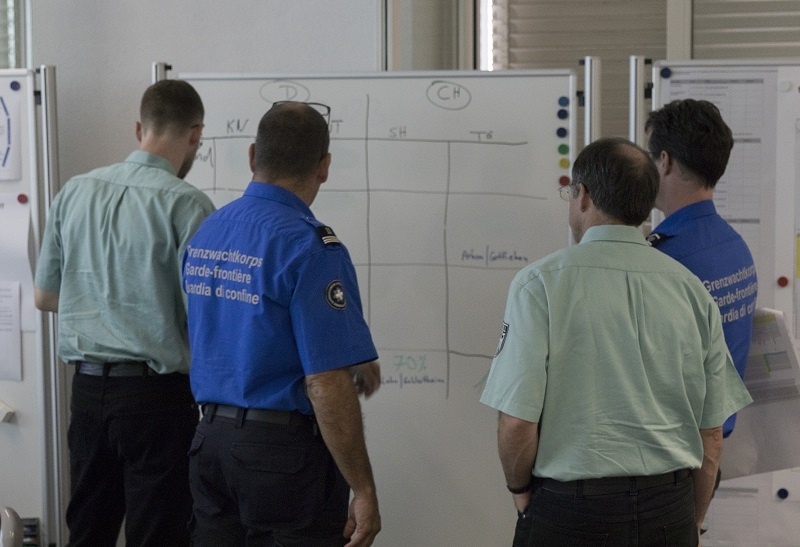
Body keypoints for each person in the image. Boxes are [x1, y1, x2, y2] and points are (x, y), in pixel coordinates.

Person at [480, 137, 752, 546]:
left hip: (572, 514)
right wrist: (689, 522)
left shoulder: (539, 286)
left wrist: (520, 493)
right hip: (670, 509)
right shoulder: (692, 290)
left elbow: (517, 421)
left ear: (583, 196)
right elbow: (710, 435)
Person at [183, 101, 381, 546]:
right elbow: (326, 382)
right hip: (282, 459)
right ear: (324, 166)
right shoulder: (310, 246)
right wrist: (364, 489)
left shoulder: (207, 233)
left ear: (253, 155)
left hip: (209, 444)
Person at [34, 79, 215, 546]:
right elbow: (205, 314)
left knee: (88, 531)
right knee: (158, 534)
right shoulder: (188, 204)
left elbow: (44, 296)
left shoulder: (74, 191)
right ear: (195, 135)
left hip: (88, 391)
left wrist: (100, 306)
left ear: (139, 128)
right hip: (157, 398)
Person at [646, 98, 758, 439]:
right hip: (710, 446)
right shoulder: (734, 245)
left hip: (672, 457)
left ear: (664, 161)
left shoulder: (665, 258)